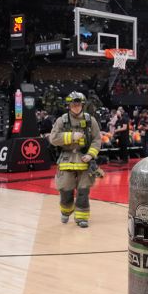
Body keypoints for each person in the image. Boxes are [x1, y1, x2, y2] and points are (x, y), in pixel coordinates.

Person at [48, 91, 102, 228]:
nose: (76, 106)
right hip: (66, 159)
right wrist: (71, 136)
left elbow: (97, 140)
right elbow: (53, 139)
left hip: (85, 161)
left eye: (78, 104)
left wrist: (90, 155)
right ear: (69, 105)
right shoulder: (62, 120)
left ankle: (82, 217)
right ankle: (66, 210)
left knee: (83, 190)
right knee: (65, 189)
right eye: (73, 104)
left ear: (82, 105)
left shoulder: (91, 120)